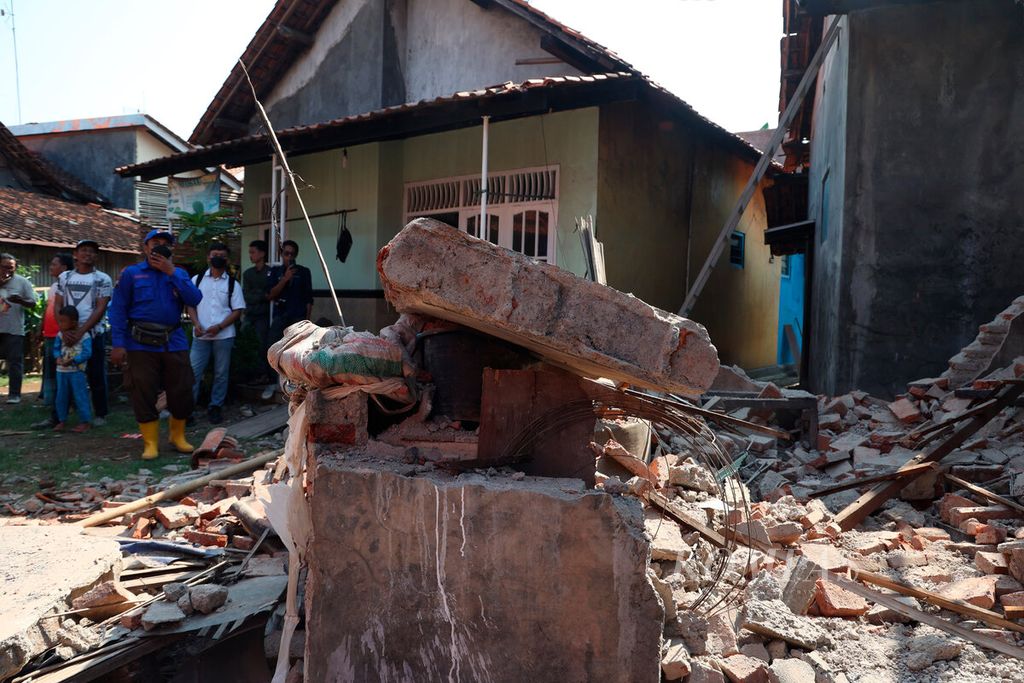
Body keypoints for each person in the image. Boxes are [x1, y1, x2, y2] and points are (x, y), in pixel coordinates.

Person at [108, 230, 202, 459]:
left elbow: (195, 299)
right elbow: (118, 309)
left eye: (165, 243)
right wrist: (118, 344)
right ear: (145, 246)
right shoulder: (132, 274)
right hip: (139, 342)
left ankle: (177, 436)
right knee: (143, 389)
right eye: (155, 242)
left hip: (174, 340)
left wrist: (171, 272)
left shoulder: (179, 273)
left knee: (182, 388)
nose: (159, 246)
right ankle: (150, 443)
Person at [53, 240, 113, 425]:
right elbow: (57, 304)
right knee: (65, 372)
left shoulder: (103, 278)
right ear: (75, 255)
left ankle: (100, 413)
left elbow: (101, 308)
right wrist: (64, 330)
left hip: (93, 333)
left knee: (96, 373)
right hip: (67, 335)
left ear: (96, 256)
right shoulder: (65, 277)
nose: (88, 254)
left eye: (93, 251)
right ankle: (61, 415)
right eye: (84, 250)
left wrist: (81, 332)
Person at [186, 242, 245, 425]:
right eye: (214, 254)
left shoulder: (233, 284)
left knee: (221, 374)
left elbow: (237, 311)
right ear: (208, 258)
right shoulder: (196, 280)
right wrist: (196, 324)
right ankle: (187, 410)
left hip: (224, 335)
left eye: (221, 255)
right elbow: (190, 305)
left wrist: (219, 327)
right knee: (193, 373)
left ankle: (215, 408)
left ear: (226, 260)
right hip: (200, 335)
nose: (217, 257)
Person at [0, 253, 39, 404]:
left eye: (12, 268)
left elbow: (33, 303)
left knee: (15, 362)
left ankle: (14, 394)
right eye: (4, 268)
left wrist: (20, 300)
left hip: (13, 329)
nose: (8, 271)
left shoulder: (22, 282)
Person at [40, 253, 74, 409]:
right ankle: (50, 400)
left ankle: (64, 401)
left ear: (64, 268)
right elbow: (49, 309)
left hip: (61, 334)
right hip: (49, 333)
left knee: (63, 368)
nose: (51, 267)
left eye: (54, 264)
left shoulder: (69, 285)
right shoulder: (54, 286)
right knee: (50, 368)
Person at [53, 305, 92, 433]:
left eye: (63, 321)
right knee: (61, 396)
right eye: (59, 321)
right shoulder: (60, 335)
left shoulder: (84, 336)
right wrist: (58, 358)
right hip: (61, 371)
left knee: (80, 395)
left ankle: (85, 421)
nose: (60, 324)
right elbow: (56, 349)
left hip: (77, 371)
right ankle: (61, 420)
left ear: (74, 322)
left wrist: (74, 360)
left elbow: (87, 353)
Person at [267, 240, 314, 343]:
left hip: (298, 317)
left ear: (296, 255)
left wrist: (307, 322)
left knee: (295, 349)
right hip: (280, 315)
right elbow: (270, 295)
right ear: (281, 254)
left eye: (292, 254)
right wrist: (285, 279)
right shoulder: (275, 271)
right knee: (273, 346)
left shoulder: (304, 272)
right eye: (286, 254)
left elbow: (309, 299)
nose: (289, 257)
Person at [242, 239, 273, 382]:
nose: (250, 255)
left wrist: (260, 295)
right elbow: (247, 295)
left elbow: (270, 294)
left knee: (262, 344)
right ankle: (247, 373)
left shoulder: (270, 272)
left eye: (253, 252)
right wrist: (262, 295)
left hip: (263, 315)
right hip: (250, 313)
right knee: (245, 341)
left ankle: (262, 374)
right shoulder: (248, 273)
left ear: (262, 253)